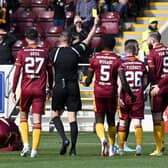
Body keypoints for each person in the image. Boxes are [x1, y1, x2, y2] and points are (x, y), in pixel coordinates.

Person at [49, 17, 99, 156]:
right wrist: (95, 25)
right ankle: (73, 149)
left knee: (55, 115)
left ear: (60, 40)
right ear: (72, 40)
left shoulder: (54, 53)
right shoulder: (76, 50)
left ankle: (64, 139)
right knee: (72, 118)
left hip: (59, 85)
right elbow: (88, 39)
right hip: (72, 86)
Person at [11, 28, 53, 158]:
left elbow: (17, 73)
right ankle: (34, 150)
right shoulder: (45, 52)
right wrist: (50, 87)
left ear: (26, 38)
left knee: (23, 116)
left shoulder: (22, 52)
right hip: (40, 90)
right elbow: (51, 73)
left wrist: (13, 90)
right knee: (37, 121)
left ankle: (26, 145)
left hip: (26, 89)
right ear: (38, 38)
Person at [83, 35, 120, 157]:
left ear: (103, 45)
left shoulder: (95, 58)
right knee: (111, 121)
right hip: (111, 92)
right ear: (113, 46)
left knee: (99, 119)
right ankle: (112, 148)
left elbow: (88, 81)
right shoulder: (117, 59)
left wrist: (84, 82)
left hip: (99, 92)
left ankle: (102, 139)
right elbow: (122, 79)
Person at [117, 39, 148, 156]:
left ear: (126, 51)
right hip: (138, 96)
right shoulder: (141, 64)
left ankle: (120, 149)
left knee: (123, 122)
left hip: (125, 96)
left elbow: (121, 83)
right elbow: (145, 81)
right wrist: (141, 90)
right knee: (137, 122)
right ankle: (139, 146)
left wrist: (119, 97)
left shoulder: (122, 64)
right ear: (135, 51)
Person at [147, 31, 168, 156]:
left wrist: (156, 85)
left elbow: (151, 73)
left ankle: (158, 148)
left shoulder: (152, 53)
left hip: (158, 89)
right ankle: (162, 141)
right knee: (161, 118)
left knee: (156, 117)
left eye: (148, 39)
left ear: (152, 40)